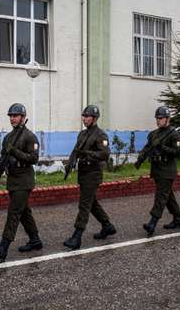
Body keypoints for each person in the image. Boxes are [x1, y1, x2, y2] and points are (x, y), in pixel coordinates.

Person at [0, 103, 43, 262]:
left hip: (24, 180)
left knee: (14, 213)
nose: (12, 118)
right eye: (11, 116)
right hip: (13, 179)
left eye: (15, 115)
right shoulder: (8, 137)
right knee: (23, 212)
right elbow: (3, 157)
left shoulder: (29, 136)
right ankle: (35, 240)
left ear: (23, 117)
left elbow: (34, 158)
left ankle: (3, 247)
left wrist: (15, 151)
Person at [63, 105, 116, 250]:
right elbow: (76, 151)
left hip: (93, 174)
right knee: (91, 203)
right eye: (83, 116)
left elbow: (105, 154)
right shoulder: (82, 134)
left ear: (95, 118)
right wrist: (69, 164)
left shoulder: (100, 135)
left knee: (84, 205)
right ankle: (107, 226)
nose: (84, 119)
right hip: (83, 173)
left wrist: (87, 154)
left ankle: (77, 237)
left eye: (87, 116)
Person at [136, 106, 180, 237]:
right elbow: (147, 148)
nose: (158, 121)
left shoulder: (174, 134)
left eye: (161, 118)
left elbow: (177, 153)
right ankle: (178, 219)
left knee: (160, 197)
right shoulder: (153, 134)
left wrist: (162, 147)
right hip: (157, 169)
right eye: (157, 118)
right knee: (167, 196)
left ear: (167, 119)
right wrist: (140, 159)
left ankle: (152, 222)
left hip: (167, 170)